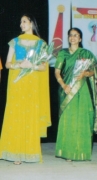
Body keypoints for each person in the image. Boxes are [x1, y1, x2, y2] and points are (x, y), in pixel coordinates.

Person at [0, 14, 51, 164]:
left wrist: (32, 66)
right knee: (16, 114)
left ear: (31, 23)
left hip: (32, 84)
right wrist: (18, 65)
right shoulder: (14, 42)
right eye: (20, 22)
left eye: (24, 21)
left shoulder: (41, 44)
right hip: (17, 82)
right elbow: (8, 63)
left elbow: (43, 67)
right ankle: (15, 153)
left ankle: (28, 151)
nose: (21, 24)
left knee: (30, 115)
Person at [55, 27, 97, 161]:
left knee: (82, 119)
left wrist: (86, 73)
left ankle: (81, 152)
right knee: (68, 120)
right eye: (70, 35)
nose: (73, 37)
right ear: (68, 38)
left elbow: (94, 71)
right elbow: (57, 72)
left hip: (82, 90)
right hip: (68, 90)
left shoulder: (86, 53)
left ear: (80, 39)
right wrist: (64, 85)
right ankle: (68, 152)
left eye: (76, 35)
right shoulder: (63, 53)